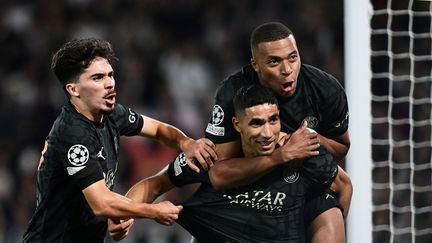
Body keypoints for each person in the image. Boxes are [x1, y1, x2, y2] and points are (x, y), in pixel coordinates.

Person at [22, 38, 217, 243]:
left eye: (110, 75)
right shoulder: (72, 133)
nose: (109, 83)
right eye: (97, 78)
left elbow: (159, 129)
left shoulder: (113, 114)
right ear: (73, 90)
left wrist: (186, 143)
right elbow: (101, 204)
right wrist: (153, 211)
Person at [109, 84, 339, 242]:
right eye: (256, 123)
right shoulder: (209, 157)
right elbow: (156, 184)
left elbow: (343, 187)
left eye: (273, 120)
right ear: (237, 125)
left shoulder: (302, 154)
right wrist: (123, 214)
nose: (268, 133)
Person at [204, 22, 352, 243]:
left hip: (305, 184)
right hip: (249, 187)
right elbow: (218, 174)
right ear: (255, 64)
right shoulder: (232, 93)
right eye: (274, 61)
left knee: (330, 216)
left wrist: (307, 138)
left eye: (293, 58)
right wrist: (281, 155)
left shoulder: (325, 90)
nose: (287, 70)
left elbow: (342, 152)